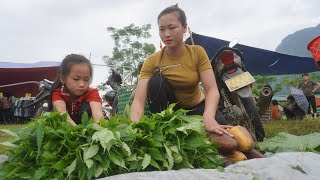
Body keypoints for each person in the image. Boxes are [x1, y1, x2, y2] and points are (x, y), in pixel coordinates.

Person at [130, 5, 232, 137]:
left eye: (172, 28)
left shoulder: (197, 52)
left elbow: (211, 89)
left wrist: (208, 117)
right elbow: (138, 100)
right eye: (162, 29)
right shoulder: (152, 61)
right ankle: (163, 127)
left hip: (197, 107)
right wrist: (134, 127)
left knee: (226, 137)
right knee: (156, 82)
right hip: (172, 111)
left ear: (184, 27)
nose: (166, 34)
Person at [50, 54, 104, 125]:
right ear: (63, 79)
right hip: (66, 127)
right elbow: (63, 114)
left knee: (87, 108)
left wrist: (102, 129)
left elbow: (98, 115)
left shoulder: (92, 93)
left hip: (86, 128)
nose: (82, 84)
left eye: (86, 79)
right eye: (76, 79)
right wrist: (77, 133)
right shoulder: (58, 93)